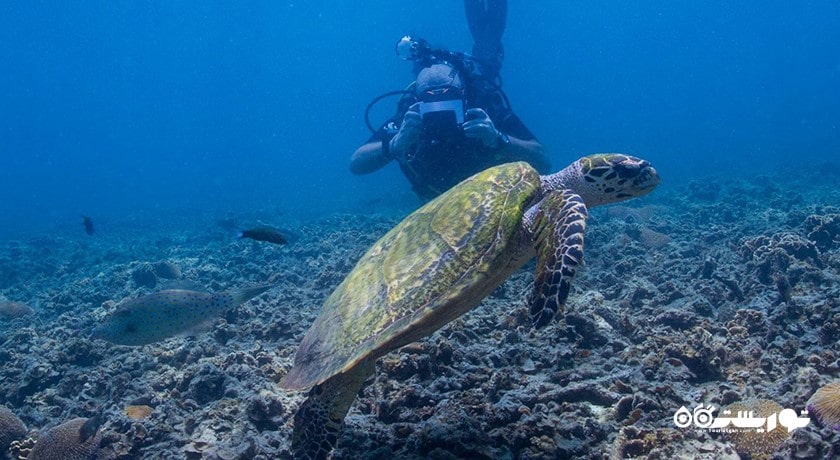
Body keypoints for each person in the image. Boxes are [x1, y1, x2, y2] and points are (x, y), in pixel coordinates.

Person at [350, 0, 549, 200]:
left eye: (449, 100)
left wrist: (499, 139)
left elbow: (542, 160)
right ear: (417, 99)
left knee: (488, 54)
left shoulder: (481, 107)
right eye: (430, 102)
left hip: (488, 198)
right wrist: (394, 145)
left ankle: (486, 50)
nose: (439, 109)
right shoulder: (410, 116)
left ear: (464, 95)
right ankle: (486, 50)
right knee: (487, 53)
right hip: (433, 199)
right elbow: (356, 163)